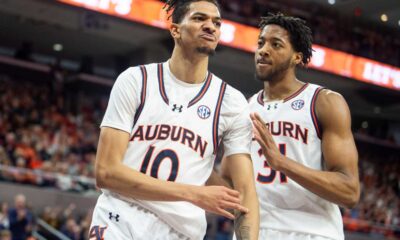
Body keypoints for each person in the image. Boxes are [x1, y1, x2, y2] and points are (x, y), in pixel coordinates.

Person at [89, 0, 259, 239]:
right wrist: (193, 193)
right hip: (120, 218)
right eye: (200, 18)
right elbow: (105, 172)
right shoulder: (136, 80)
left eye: (216, 22)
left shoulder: (231, 102)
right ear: (175, 29)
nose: (210, 26)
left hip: (181, 232)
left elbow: (245, 193)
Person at [247, 13, 360, 240]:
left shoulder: (324, 102)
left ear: (297, 57)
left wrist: (282, 163)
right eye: (261, 43)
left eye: (275, 44)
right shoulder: (245, 107)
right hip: (257, 229)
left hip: (312, 231)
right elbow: (232, 182)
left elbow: (349, 191)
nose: (263, 50)